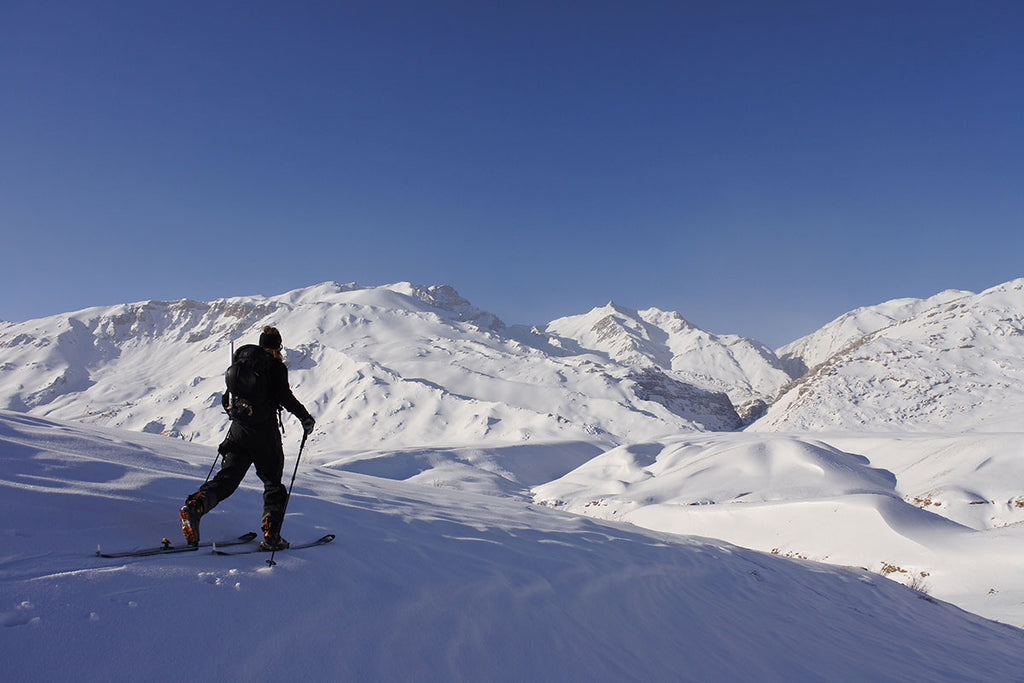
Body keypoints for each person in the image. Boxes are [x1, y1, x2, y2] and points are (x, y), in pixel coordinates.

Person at [180, 326, 315, 550]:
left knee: (227, 480)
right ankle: (272, 534)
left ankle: (195, 507)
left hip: (238, 433)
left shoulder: (242, 367)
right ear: (278, 346)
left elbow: (227, 400)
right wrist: (305, 418)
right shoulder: (275, 367)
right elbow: (285, 397)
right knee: (273, 485)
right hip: (265, 436)